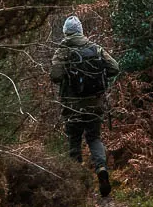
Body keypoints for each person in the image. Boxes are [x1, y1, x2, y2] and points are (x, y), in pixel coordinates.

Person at [50, 15, 120, 196]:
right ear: (81, 31)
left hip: (72, 106)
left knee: (74, 140)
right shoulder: (95, 48)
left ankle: (78, 182)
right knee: (94, 138)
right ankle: (101, 169)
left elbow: (55, 76)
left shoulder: (63, 50)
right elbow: (114, 68)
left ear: (65, 32)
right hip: (94, 103)